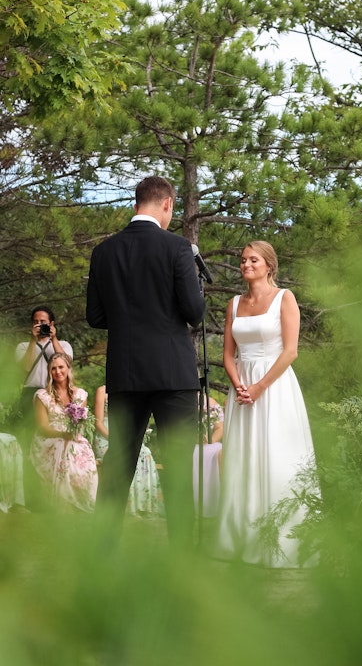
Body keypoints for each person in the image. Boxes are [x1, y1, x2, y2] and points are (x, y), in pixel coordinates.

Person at [86, 175, 206, 548]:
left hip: (126, 373)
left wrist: (127, 320)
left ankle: (101, 557)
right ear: (167, 204)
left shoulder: (103, 252)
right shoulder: (178, 249)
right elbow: (194, 312)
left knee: (118, 470)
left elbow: (95, 316)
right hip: (173, 374)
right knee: (179, 472)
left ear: (137, 203)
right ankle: (184, 563)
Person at [215, 241, 318, 568]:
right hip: (242, 388)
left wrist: (259, 386)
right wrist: (239, 385)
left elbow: (290, 351)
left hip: (274, 387)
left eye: (253, 260)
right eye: (243, 260)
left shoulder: (284, 298)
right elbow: (227, 355)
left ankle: (284, 543)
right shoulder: (234, 304)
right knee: (242, 458)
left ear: (269, 265)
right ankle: (240, 539)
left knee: (277, 458)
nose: (245, 264)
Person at [14, 306, 73, 507]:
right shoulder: (23, 346)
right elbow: (24, 367)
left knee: (55, 443)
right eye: (36, 322)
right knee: (31, 444)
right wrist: (33, 340)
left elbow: (66, 364)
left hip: (55, 394)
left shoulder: (62, 343)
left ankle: (55, 496)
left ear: (52, 324)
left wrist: (53, 339)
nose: (40, 325)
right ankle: (30, 498)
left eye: (44, 322)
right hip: (30, 394)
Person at [30, 353, 98, 512]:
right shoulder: (42, 396)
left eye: (61, 367)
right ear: (49, 372)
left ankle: (82, 498)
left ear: (68, 368)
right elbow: (42, 427)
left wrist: (73, 435)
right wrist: (63, 436)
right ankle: (64, 503)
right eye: (53, 368)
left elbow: (82, 423)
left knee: (81, 449)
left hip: (74, 436)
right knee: (65, 448)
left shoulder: (80, 395)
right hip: (48, 438)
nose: (57, 371)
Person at [93, 385, 164, 518]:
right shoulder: (102, 391)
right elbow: (98, 423)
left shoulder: (132, 391)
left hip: (125, 435)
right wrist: (114, 438)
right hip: (106, 436)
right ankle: (121, 506)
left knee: (145, 454)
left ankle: (143, 505)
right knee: (120, 455)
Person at [193, 396, 224, 518]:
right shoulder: (181, 401)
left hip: (211, 443)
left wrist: (209, 440)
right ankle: (195, 506)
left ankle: (217, 504)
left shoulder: (212, 403)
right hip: (192, 444)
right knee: (194, 454)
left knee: (219, 453)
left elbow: (220, 428)